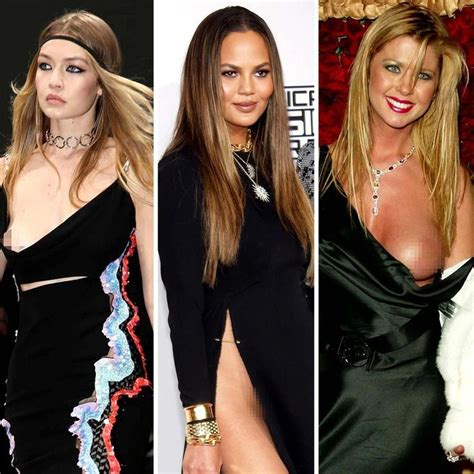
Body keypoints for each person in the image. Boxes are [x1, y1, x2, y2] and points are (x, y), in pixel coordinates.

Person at [158, 6, 314, 474]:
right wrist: (201, 431)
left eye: (260, 72)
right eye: (230, 73)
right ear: (203, 79)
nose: (248, 89)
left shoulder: (275, 169)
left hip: (292, 385)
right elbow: (183, 306)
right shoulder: (182, 173)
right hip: (231, 383)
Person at [319, 3, 474, 473]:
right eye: (393, 67)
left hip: (410, 406)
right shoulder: (307, 170)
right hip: (319, 398)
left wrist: (467, 421)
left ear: (437, 91)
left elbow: (469, 317)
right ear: (366, 67)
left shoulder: (451, 183)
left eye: (423, 76)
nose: (405, 88)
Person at [0, 10, 153, 473]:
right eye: (46, 66)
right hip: (29, 385)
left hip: (107, 379)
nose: (55, 81)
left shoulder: (133, 166)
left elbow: (158, 292)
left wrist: (189, 395)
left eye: (74, 68)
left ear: (101, 83)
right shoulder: (7, 174)